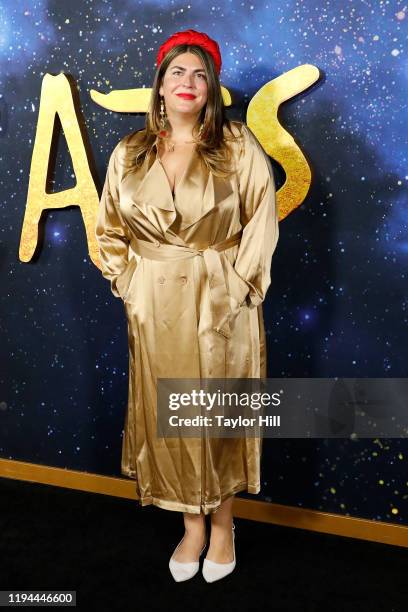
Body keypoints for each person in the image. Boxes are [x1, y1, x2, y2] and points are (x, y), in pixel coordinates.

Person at [95, 29, 279, 583]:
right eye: (178, 72)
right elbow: (108, 231)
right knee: (170, 421)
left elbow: (261, 225)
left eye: (199, 74)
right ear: (160, 83)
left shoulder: (239, 145)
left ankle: (222, 527)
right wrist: (131, 283)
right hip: (154, 306)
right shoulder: (129, 153)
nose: (188, 82)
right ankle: (191, 528)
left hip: (220, 301)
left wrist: (239, 291)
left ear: (212, 88)